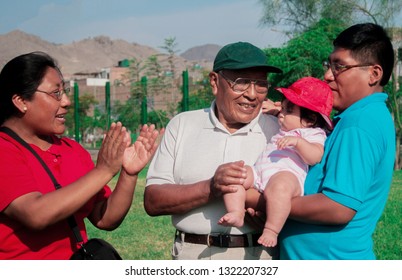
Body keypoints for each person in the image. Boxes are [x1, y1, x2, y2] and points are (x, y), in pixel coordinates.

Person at [0, 51, 160, 259]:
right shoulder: (5, 149)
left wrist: (128, 173)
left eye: (64, 91)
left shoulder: (72, 150)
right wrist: (103, 170)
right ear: (21, 101)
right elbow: (35, 214)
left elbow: (105, 218)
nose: (66, 101)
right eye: (56, 93)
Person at [144, 42, 282, 260]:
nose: (252, 94)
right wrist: (211, 187)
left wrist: (267, 210)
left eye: (261, 84)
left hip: (259, 255)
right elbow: (153, 201)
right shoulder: (182, 125)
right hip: (193, 254)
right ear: (215, 82)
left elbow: (300, 193)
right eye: (242, 83)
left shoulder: (278, 132)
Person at [276, 23, 396, 259]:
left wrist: (269, 203)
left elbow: (338, 207)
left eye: (339, 66)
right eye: (329, 65)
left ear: (374, 74)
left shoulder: (359, 123)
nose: (328, 75)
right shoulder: (361, 116)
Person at [218, 77, 333, 248]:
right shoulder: (288, 124)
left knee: (279, 189)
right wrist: (275, 109)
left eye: (288, 110)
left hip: (286, 176)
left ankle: (271, 230)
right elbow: (281, 113)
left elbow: (315, 156)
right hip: (260, 172)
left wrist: (299, 143)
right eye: (283, 107)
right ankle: (236, 212)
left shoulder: (312, 133)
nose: (282, 114)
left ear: (310, 120)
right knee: (235, 174)